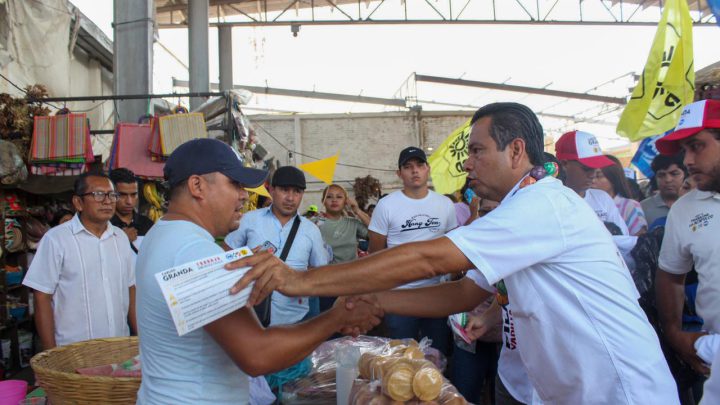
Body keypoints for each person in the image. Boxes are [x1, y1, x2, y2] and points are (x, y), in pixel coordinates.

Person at [231, 102, 677, 404]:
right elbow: (463, 294)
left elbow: (431, 260)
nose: (467, 163)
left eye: (478, 151)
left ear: (516, 150)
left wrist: (300, 280)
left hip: (621, 391)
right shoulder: (520, 210)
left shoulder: (544, 204)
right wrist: (376, 302)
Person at [135, 139, 381, 404]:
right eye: (235, 184)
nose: (244, 195)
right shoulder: (194, 251)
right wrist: (335, 318)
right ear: (197, 186)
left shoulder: (160, 233)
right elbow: (257, 354)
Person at [23, 172, 136, 349]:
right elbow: (41, 297)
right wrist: (52, 354)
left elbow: (130, 288)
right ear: (78, 202)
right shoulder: (56, 239)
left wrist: (139, 338)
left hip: (118, 348)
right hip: (73, 351)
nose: (107, 201)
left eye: (112, 195)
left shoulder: (120, 238)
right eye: (98, 194)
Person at [654, 99, 720, 391]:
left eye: (697, 146)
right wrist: (674, 334)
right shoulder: (684, 210)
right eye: (685, 150)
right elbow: (670, 275)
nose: (688, 161)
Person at [367, 146, 457, 354]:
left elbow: (452, 248)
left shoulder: (445, 205)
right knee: (399, 359)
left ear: (428, 169)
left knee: (436, 357)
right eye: (408, 167)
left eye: (419, 165)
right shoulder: (386, 205)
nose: (414, 171)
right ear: (399, 174)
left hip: (436, 295)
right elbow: (376, 254)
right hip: (400, 296)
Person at [225, 166, 329, 326]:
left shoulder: (311, 230)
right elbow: (226, 254)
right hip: (249, 315)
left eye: (297, 192)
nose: (290, 198)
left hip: (296, 319)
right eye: (285, 190)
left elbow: (321, 271)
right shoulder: (249, 220)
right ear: (272, 190)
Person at [555, 130, 629, 235]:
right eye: (587, 169)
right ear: (564, 164)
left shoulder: (603, 199)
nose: (593, 174)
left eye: (595, 168)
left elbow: (623, 238)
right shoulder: (551, 201)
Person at [314, 183, 370, 311]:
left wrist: (357, 210)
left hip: (351, 282)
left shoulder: (353, 223)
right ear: (323, 201)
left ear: (346, 201)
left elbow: (376, 232)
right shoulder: (315, 224)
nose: (334, 200)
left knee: (349, 322)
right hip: (325, 283)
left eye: (339, 197)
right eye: (329, 197)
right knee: (327, 321)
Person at [591, 155, 648, 236]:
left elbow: (639, 240)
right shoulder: (585, 204)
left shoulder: (630, 206)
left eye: (599, 176)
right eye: (591, 176)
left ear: (613, 178)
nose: (593, 181)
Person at [109, 168, 154, 253]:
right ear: (111, 194)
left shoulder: (148, 224)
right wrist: (121, 240)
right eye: (122, 195)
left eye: (133, 195)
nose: (129, 201)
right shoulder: (103, 225)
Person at [641, 153, 687, 226]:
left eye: (674, 174)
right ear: (655, 178)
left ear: (685, 174)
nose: (668, 180)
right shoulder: (643, 208)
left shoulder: (696, 203)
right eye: (661, 175)